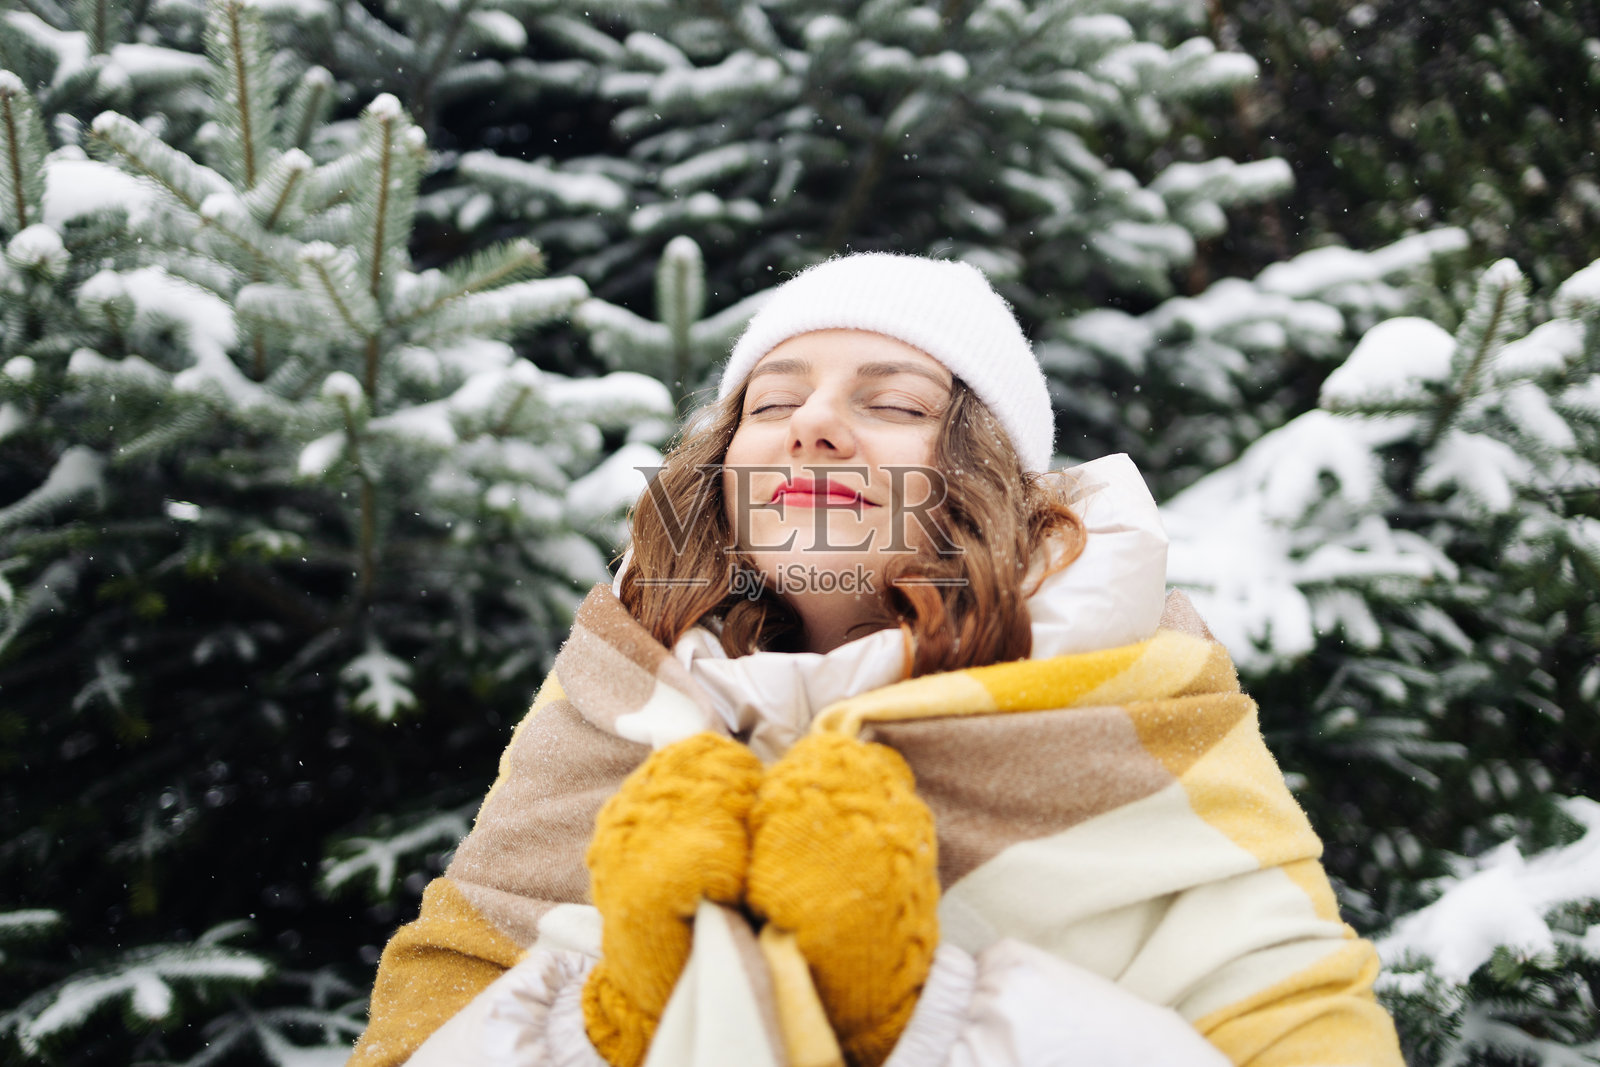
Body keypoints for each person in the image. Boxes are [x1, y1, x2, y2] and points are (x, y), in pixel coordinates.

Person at [348, 254, 1405, 1067]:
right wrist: (609, 1017)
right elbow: (411, 1039)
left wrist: (921, 1012)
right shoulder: (610, 701)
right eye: (771, 402)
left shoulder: (1136, 703)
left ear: (987, 477)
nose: (813, 424)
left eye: (892, 403)